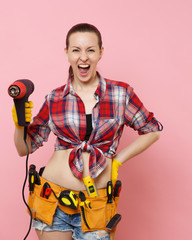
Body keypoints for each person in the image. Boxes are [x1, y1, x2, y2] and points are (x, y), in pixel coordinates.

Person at [12, 23, 163, 240]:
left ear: (100, 53)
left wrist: (118, 160)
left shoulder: (120, 94)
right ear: (67, 53)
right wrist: (19, 125)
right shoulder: (54, 98)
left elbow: (152, 131)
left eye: (90, 50)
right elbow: (24, 148)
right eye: (76, 50)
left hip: (97, 204)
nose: (83, 57)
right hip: (52, 199)